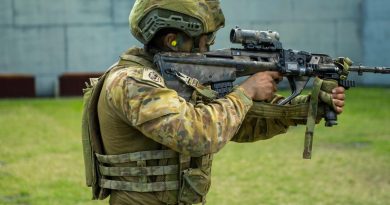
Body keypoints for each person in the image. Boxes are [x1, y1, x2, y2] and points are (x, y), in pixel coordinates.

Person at [92, 0, 345, 204]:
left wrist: (303, 108)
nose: (208, 45)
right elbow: (199, 135)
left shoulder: (173, 79)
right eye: (205, 38)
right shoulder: (132, 82)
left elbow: (233, 123)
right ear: (174, 39)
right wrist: (246, 91)